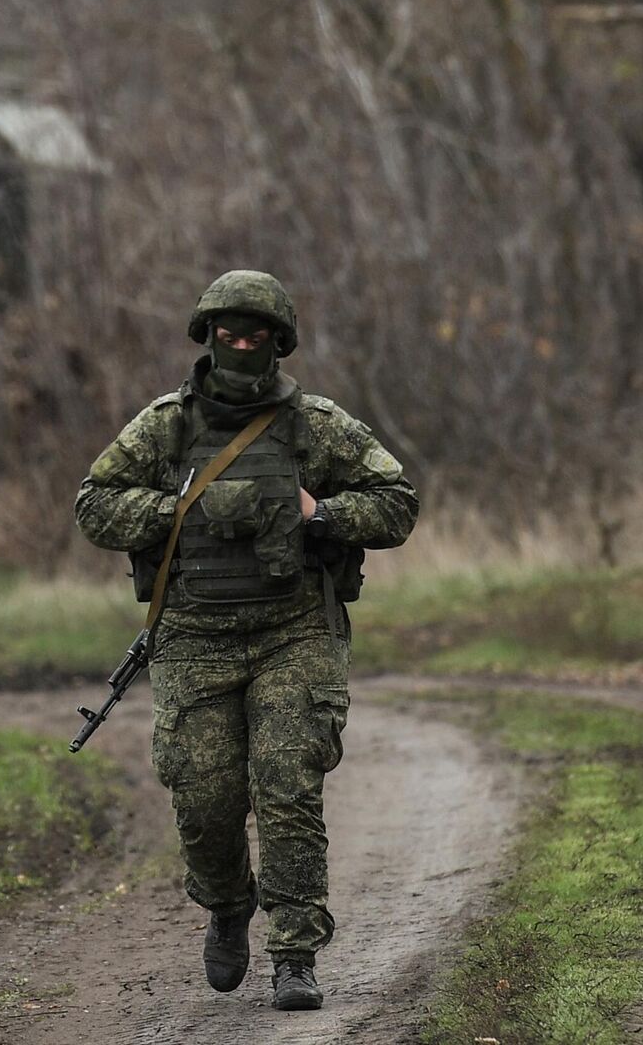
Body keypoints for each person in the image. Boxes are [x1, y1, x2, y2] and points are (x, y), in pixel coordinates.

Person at [74, 270, 418, 1011]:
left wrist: (319, 513)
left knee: (288, 785)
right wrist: (178, 511)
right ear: (206, 335)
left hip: (294, 630)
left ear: (278, 341)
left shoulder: (314, 425)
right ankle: (228, 905)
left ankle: (294, 954)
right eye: (227, 329)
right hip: (194, 635)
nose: (239, 341)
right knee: (205, 797)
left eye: (255, 331)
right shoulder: (166, 424)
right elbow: (94, 503)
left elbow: (397, 503)